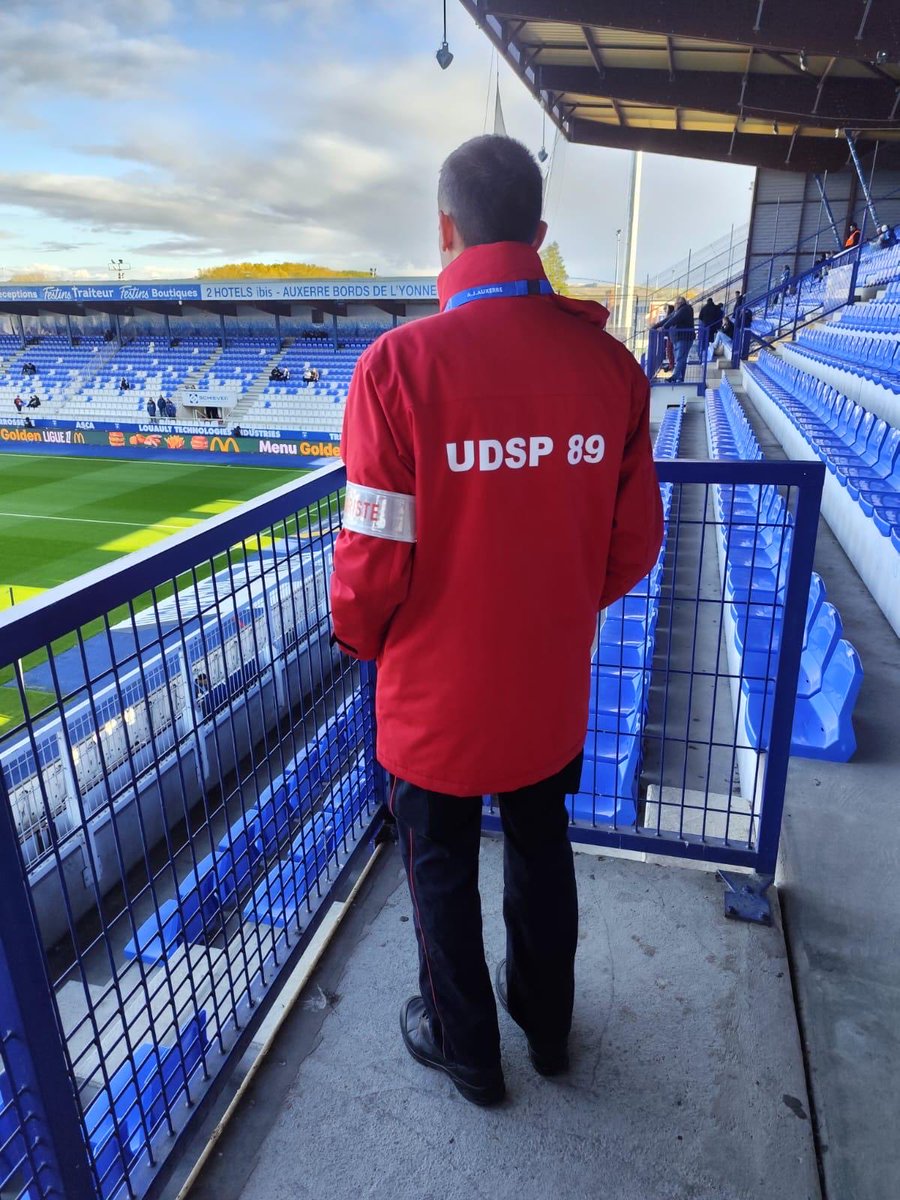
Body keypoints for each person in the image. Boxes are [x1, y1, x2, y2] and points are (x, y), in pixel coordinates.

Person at [330, 134, 663, 1107]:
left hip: (435, 698)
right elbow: (633, 542)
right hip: (547, 688)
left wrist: (360, 636)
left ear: (444, 230)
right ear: (540, 232)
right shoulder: (610, 369)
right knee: (540, 843)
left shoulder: (395, 370)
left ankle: (469, 1052)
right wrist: (552, 603)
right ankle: (547, 1030)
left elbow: (371, 562)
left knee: (438, 868)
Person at [656, 295, 695, 383]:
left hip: (684, 338)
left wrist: (663, 327)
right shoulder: (678, 310)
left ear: (680, 303)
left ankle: (675, 377)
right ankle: (680, 377)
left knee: (680, 358)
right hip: (679, 338)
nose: (675, 305)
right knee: (682, 359)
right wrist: (655, 326)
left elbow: (674, 319)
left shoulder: (684, 309)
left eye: (676, 303)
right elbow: (667, 319)